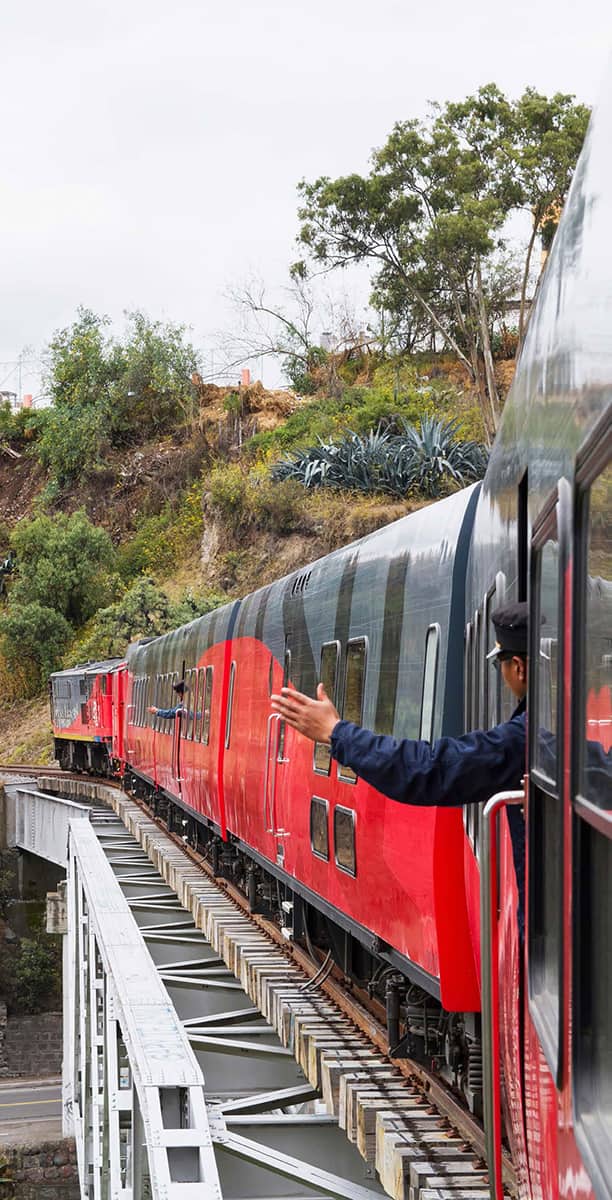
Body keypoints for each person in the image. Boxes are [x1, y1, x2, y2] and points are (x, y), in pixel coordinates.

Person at [271, 602, 529, 808]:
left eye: (499, 665)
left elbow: (426, 769)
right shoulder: (542, 726)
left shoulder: (524, 736)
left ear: (517, 667)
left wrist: (336, 732)